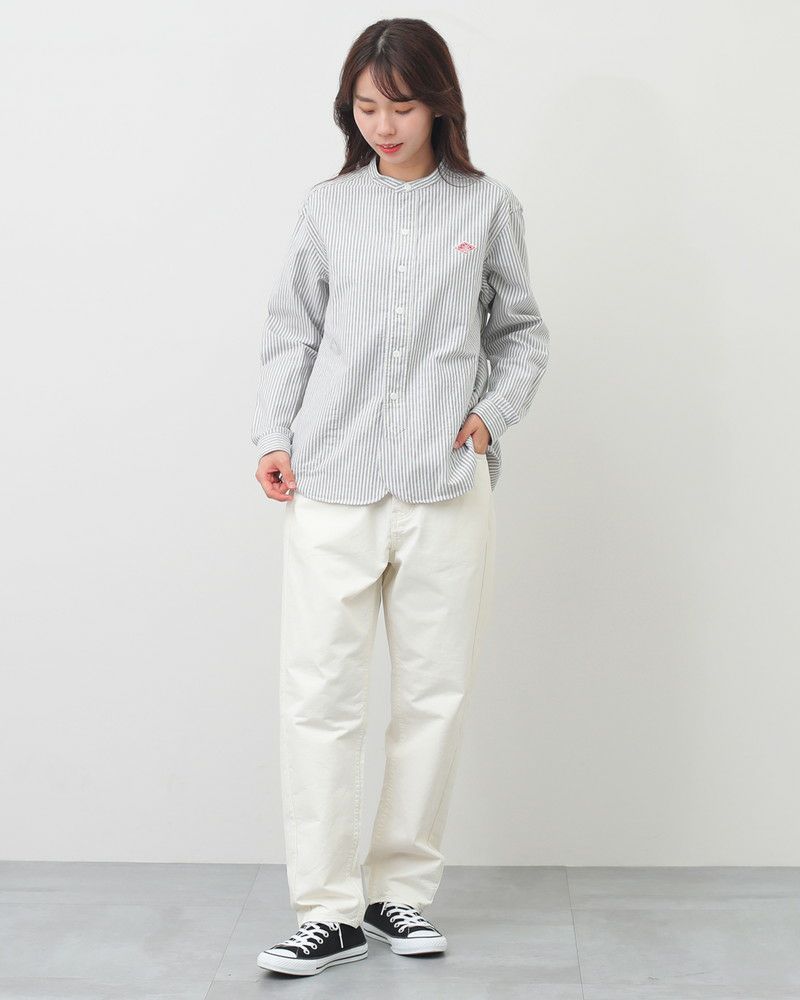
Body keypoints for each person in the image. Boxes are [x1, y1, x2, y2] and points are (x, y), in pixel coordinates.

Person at [252, 17, 550, 978]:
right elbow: (291, 333)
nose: (383, 126)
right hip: (332, 483)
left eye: (402, 107)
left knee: (433, 696)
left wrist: (489, 418)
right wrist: (273, 436)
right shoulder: (327, 208)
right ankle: (327, 910)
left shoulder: (488, 205)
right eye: (366, 108)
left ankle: (398, 897)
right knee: (318, 696)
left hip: (444, 487)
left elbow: (522, 333)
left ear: (441, 106)